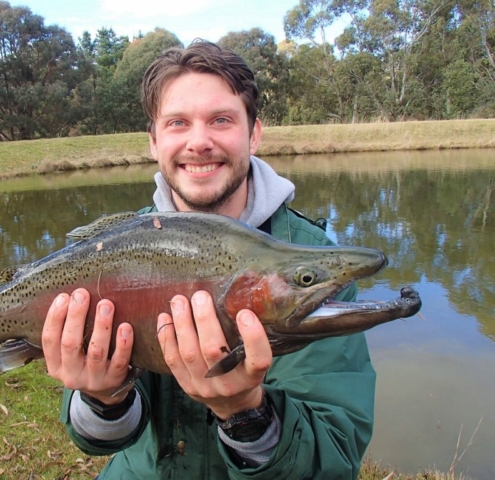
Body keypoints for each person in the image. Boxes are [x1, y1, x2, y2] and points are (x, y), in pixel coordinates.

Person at [41, 40, 375, 479]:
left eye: (221, 120)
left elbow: (333, 461)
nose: (199, 142)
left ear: (253, 133)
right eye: (178, 123)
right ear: (154, 140)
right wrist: (104, 397)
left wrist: (246, 415)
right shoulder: (111, 251)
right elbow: (102, 442)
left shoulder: (310, 272)